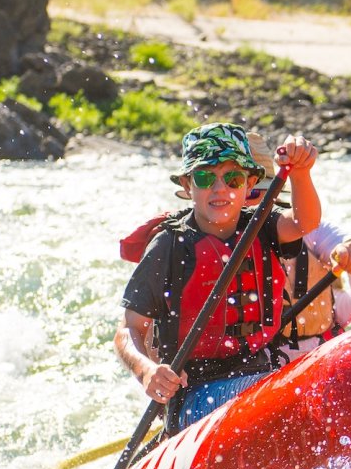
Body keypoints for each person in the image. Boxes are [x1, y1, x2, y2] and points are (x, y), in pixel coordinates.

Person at [114, 122, 320, 434]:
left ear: (250, 183)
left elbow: (305, 221)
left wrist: (301, 172)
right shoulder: (170, 245)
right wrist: (146, 371)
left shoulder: (263, 226)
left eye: (233, 178)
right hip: (195, 393)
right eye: (205, 177)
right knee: (274, 397)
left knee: (291, 394)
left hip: (263, 374)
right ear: (187, 185)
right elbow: (129, 330)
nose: (220, 188)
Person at [234, 133, 351, 358]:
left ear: (273, 193)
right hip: (249, 368)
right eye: (232, 190)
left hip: (315, 355)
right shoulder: (194, 240)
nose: (241, 203)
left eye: (251, 192)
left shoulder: (310, 231)